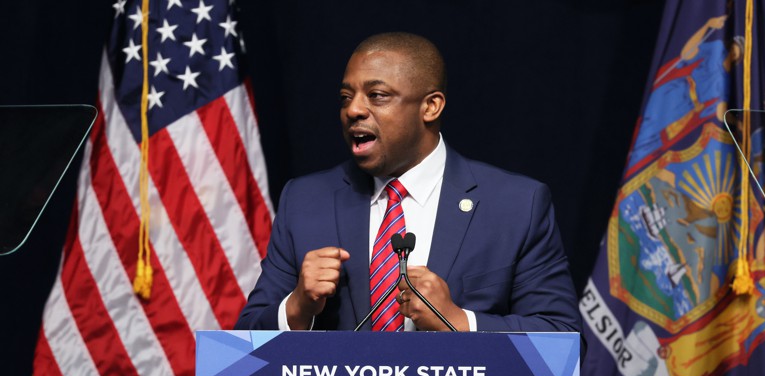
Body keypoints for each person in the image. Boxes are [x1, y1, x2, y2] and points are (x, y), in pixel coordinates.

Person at [234, 32, 581, 332]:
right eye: (346, 97)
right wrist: (297, 308)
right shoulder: (306, 200)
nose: (353, 109)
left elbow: (562, 341)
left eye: (377, 95)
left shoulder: (517, 205)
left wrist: (459, 321)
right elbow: (242, 349)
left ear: (430, 106)